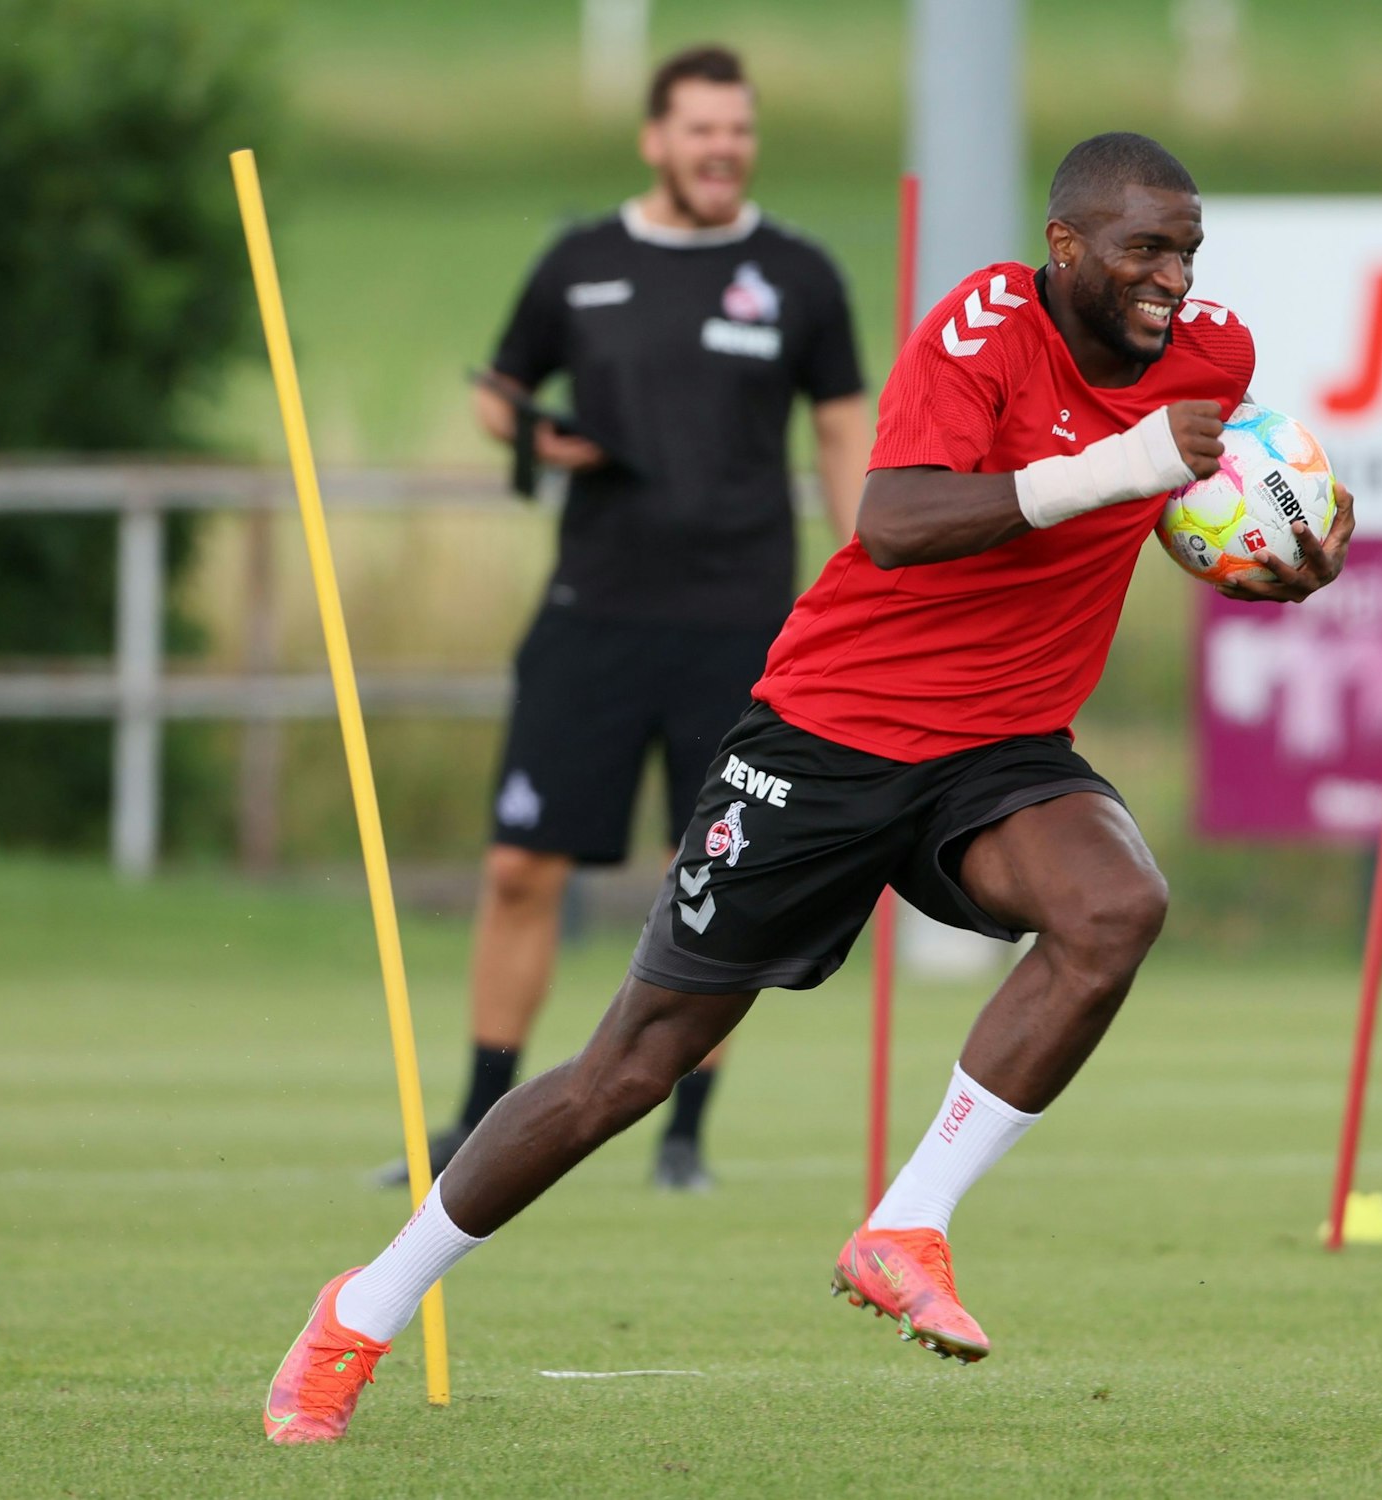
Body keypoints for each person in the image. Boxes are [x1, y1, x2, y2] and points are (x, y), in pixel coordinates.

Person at [266, 131, 1355, 1444]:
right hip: (829, 738)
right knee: (628, 1070)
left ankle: (907, 1224)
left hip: (997, 751)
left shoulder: (1214, 355)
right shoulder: (982, 332)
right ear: (1064, 246)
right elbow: (894, 522)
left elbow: (1209, 492)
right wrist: (1119, 468)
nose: (1170, 275)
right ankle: (360, 1313)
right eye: (1143, 248)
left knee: (1115, 908)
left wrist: (1275, 549)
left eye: (1186, 248)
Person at [373, 45, 870, 1195]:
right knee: (516, 868)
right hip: (591, 613)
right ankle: (475, 1117)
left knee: (714, 880)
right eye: (700, 130)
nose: (721, 149)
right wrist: (533, 435)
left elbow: (843, 429)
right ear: (655, 138)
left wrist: (861, 573)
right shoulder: (581, 261)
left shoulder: (796, 274)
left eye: (737, 130)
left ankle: (683, 1136)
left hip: (743, 623)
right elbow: (495, 393)